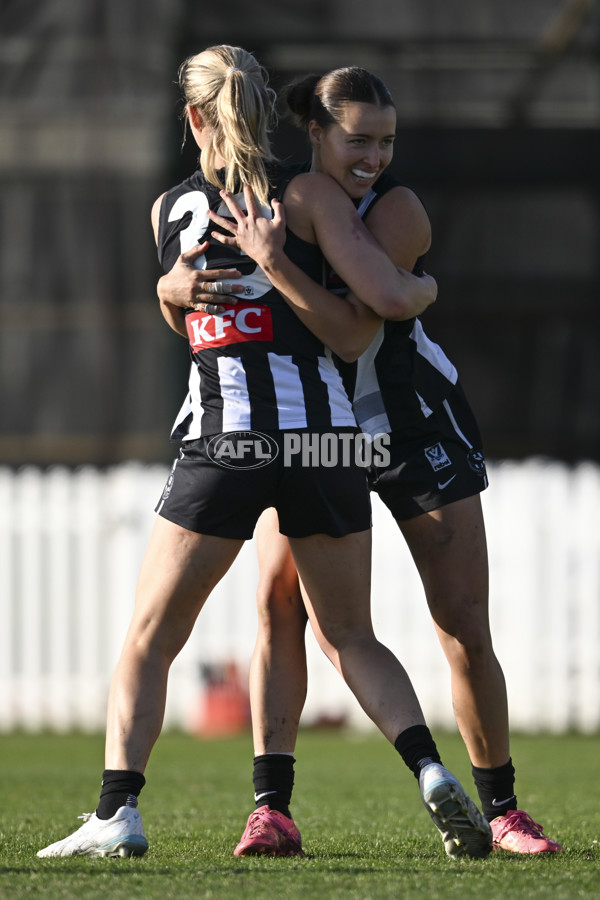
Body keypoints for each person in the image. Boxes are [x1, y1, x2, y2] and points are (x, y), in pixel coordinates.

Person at [37, 45, 492, 861]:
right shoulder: (310, 195)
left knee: (151, 636)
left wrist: (168, 293)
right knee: (350, 634)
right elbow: (360, 327)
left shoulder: (169, 207)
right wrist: (392, 284)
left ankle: (117, 814)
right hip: (324, 442)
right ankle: (428, 768)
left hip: (226, 441)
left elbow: (197, 329)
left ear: (193, 117)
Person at [161, 65, 562, 858]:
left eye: (386, 141)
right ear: (314, 133)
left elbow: (368, 314)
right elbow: (201, 296)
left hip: (412, 430)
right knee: (280, 607)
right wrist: (171, 284)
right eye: (358, 140)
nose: (375, 157)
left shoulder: (394, 209)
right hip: (317, 432)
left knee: (462, 624)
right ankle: (271, 808)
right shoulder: (278, 205)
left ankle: (505, 810)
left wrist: (398, 289)